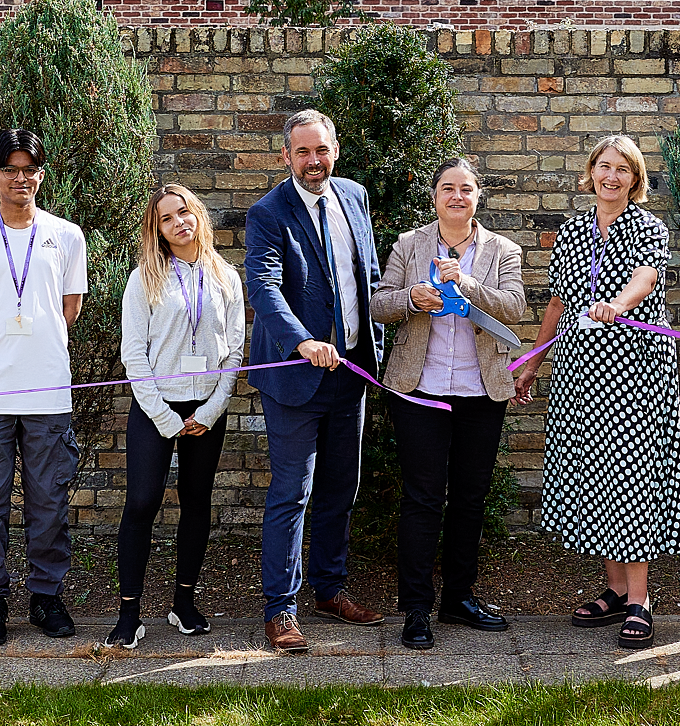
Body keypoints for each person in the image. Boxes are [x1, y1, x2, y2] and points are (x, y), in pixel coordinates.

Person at [514, 135, 680, 650]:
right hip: (578, 373)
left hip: (634, 372)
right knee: (595, 480)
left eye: (623, 169)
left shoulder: (648, 228)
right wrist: (530, 364)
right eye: (603, 167)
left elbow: (646, 277)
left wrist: (618, 303)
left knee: (633, 484)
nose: (611, 177)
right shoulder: (570, 230)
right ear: (590, 172)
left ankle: (641, 600)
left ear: (636, 179)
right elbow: (556, 306)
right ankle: (613, 593)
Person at [245, 109, 386, 654]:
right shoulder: (268, 213)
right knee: (291, 493)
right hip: (295, 377)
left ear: (335, 149)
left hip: (351, 371)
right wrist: (301, 339)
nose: (312, 161)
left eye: (321, 150)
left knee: (339, 489)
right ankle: (280, 610)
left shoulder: (354, 196)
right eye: (301, 152)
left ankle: (328, 590)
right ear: (286, 156)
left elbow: (365, 275)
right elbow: (263, 286)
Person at [371, 158, 525, 650]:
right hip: (420, 389)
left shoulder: (503, 249)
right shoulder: (408, 245)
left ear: (478, 197)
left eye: (466, 189)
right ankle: (416, 608)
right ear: (434, 195)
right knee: (422, 497)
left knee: (469, 497)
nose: (457, 197)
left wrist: (469, 285)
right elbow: (378, 303)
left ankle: (459, 597)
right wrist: (413, 298)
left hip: (481, 391)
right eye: (447, 189)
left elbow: (516, 306)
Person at [0, 128, 88, 646]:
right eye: (10, 169)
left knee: (49, 501)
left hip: (48, 392)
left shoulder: (68, 236)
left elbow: (68, 310)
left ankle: (47, 598)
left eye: (29, 168)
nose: (20, 177)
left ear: (41, 174)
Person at [105, 184, 245, 647]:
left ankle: (183, 603)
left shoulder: (225, 275)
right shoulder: (144, 277)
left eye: (184, 212)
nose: (179, 223)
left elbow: (235, 353)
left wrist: (212, 407)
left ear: (197, 215)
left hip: (206, 408)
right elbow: (134, 354)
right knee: (141, 503)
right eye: (167, 218)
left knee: (196, 502)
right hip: (155, 407)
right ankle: (129, 613)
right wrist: (164, 417)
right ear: (158, 230)